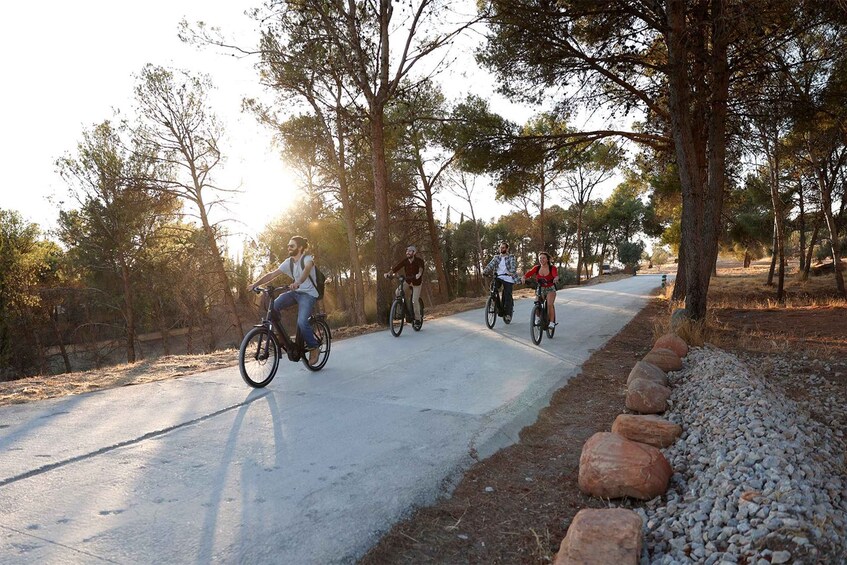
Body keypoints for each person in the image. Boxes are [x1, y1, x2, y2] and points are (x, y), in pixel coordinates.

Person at [250, 235, 320, 365]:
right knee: (274, 307)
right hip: (295, 292)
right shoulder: (289, 262)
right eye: (288, 245)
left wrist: (298, 282)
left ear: (299, 248)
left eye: (291, 246)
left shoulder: (308, 259)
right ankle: (281, 337)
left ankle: (313, 347)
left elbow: (306, 272)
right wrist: (255, 284)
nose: (288, 247)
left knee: (302, 322)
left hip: (309, 294)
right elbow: (272, 274)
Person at [384, 245, 425, 323]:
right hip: (408, 281)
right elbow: (396, 268)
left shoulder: (419, 261)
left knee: (414, 300)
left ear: (414, 252)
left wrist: (419, 274)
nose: (407, 252)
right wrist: (388, 273)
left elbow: (421, 268)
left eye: (410, 251)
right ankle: (404, 309)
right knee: (397, 292)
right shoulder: (405, 261)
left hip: (417, 283)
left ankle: (417, 319)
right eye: (407, 251)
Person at [521, 251, 559, 327]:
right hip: (540, 289)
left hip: (550, 289)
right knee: (536, 303)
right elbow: (529, 273)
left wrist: (556, 278)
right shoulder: (537, 268)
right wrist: (524, 277)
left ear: (547, 259)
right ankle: (537, 318)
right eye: (540, 258)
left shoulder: (552, 268)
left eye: (544, 258)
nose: (542, 259)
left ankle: (551, 322)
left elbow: (555, 275)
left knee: (549, 304)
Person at [483, 242, 518, 323]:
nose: (501, 249)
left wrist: (511, 272)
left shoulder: (511, 257)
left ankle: (508, 314)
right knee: (493, 289)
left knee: (507, 295)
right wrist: (485, 271)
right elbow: (490, 265)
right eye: (500, 248)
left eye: (503, 248)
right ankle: (496, 306)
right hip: (498, 277)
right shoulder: (496, 257)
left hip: (508, 278)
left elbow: (513, 266)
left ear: (507, 249)